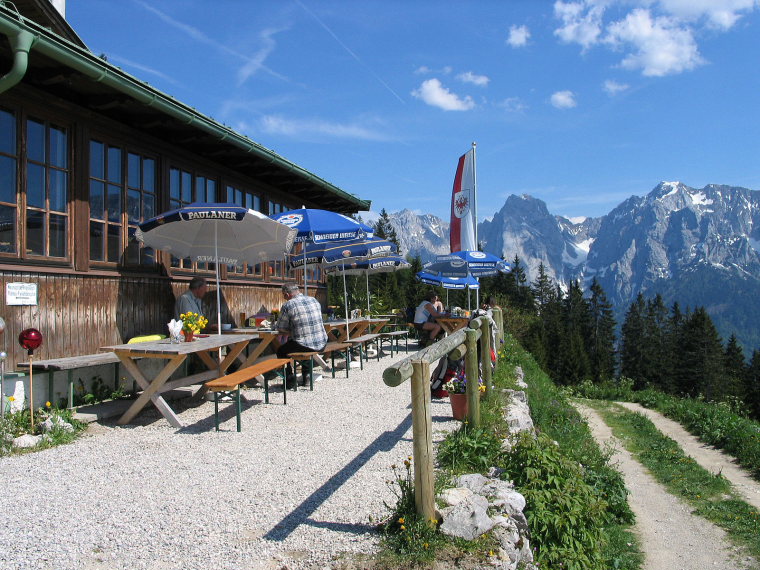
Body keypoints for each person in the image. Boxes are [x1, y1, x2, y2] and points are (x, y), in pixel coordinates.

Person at [275, 283, 329, 387]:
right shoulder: (314, 300)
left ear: (287, 294)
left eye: (283, 295)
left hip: (305, 344)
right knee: (305, 344)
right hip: (322, 343)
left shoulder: (288, 305)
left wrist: (291, 329)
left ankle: (290, 379)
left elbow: (281, 327)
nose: (284, 298)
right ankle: (307, 375)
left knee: (281, 351)